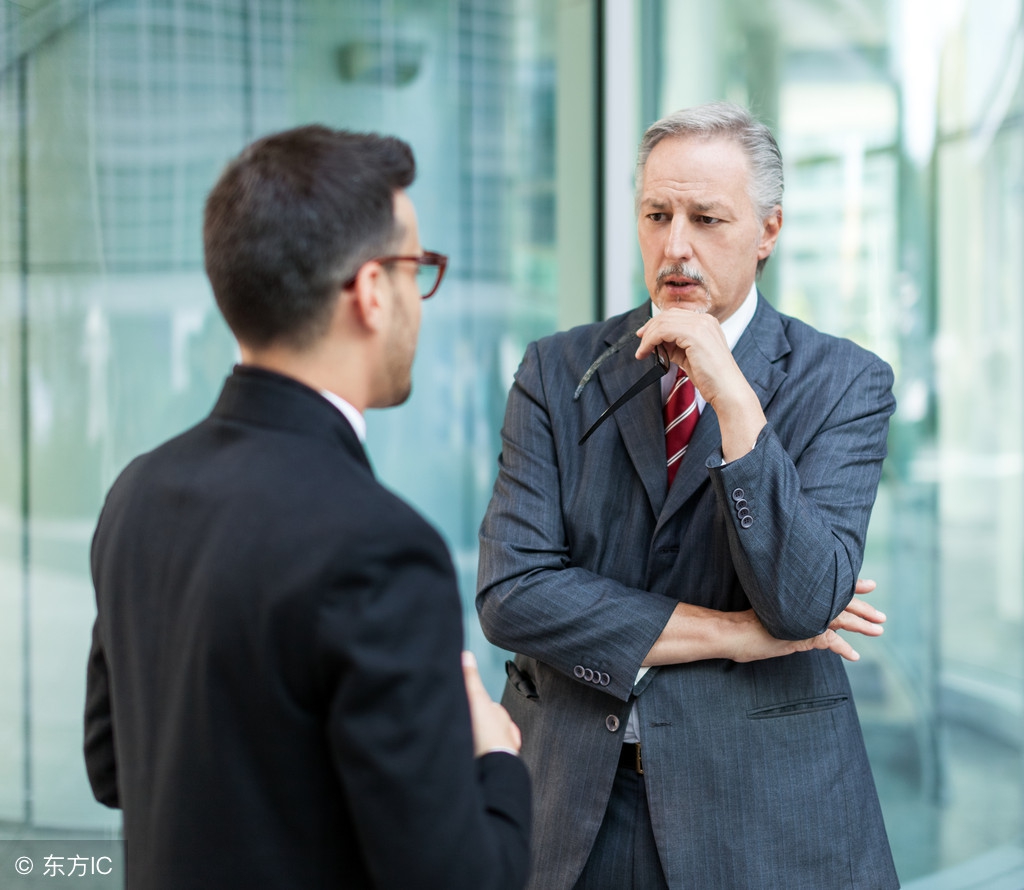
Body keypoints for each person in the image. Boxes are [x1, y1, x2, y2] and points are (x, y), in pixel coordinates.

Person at [84, 125, 531, 890]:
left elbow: (112, 767)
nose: (419, 302)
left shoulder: (139, 492)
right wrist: (495, 761)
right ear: (368, 292)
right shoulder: (382, 546)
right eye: (417, 269)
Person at [477, 102, 899, 889]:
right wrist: (734, 634)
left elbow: (803, 603)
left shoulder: (846, 382)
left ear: (768, 230)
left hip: (762, 810)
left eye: (707, 219)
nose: (676, 247)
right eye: (657, 214)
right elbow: (513, 594)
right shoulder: (555, 370)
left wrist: (734, 400)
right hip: (576, 805)